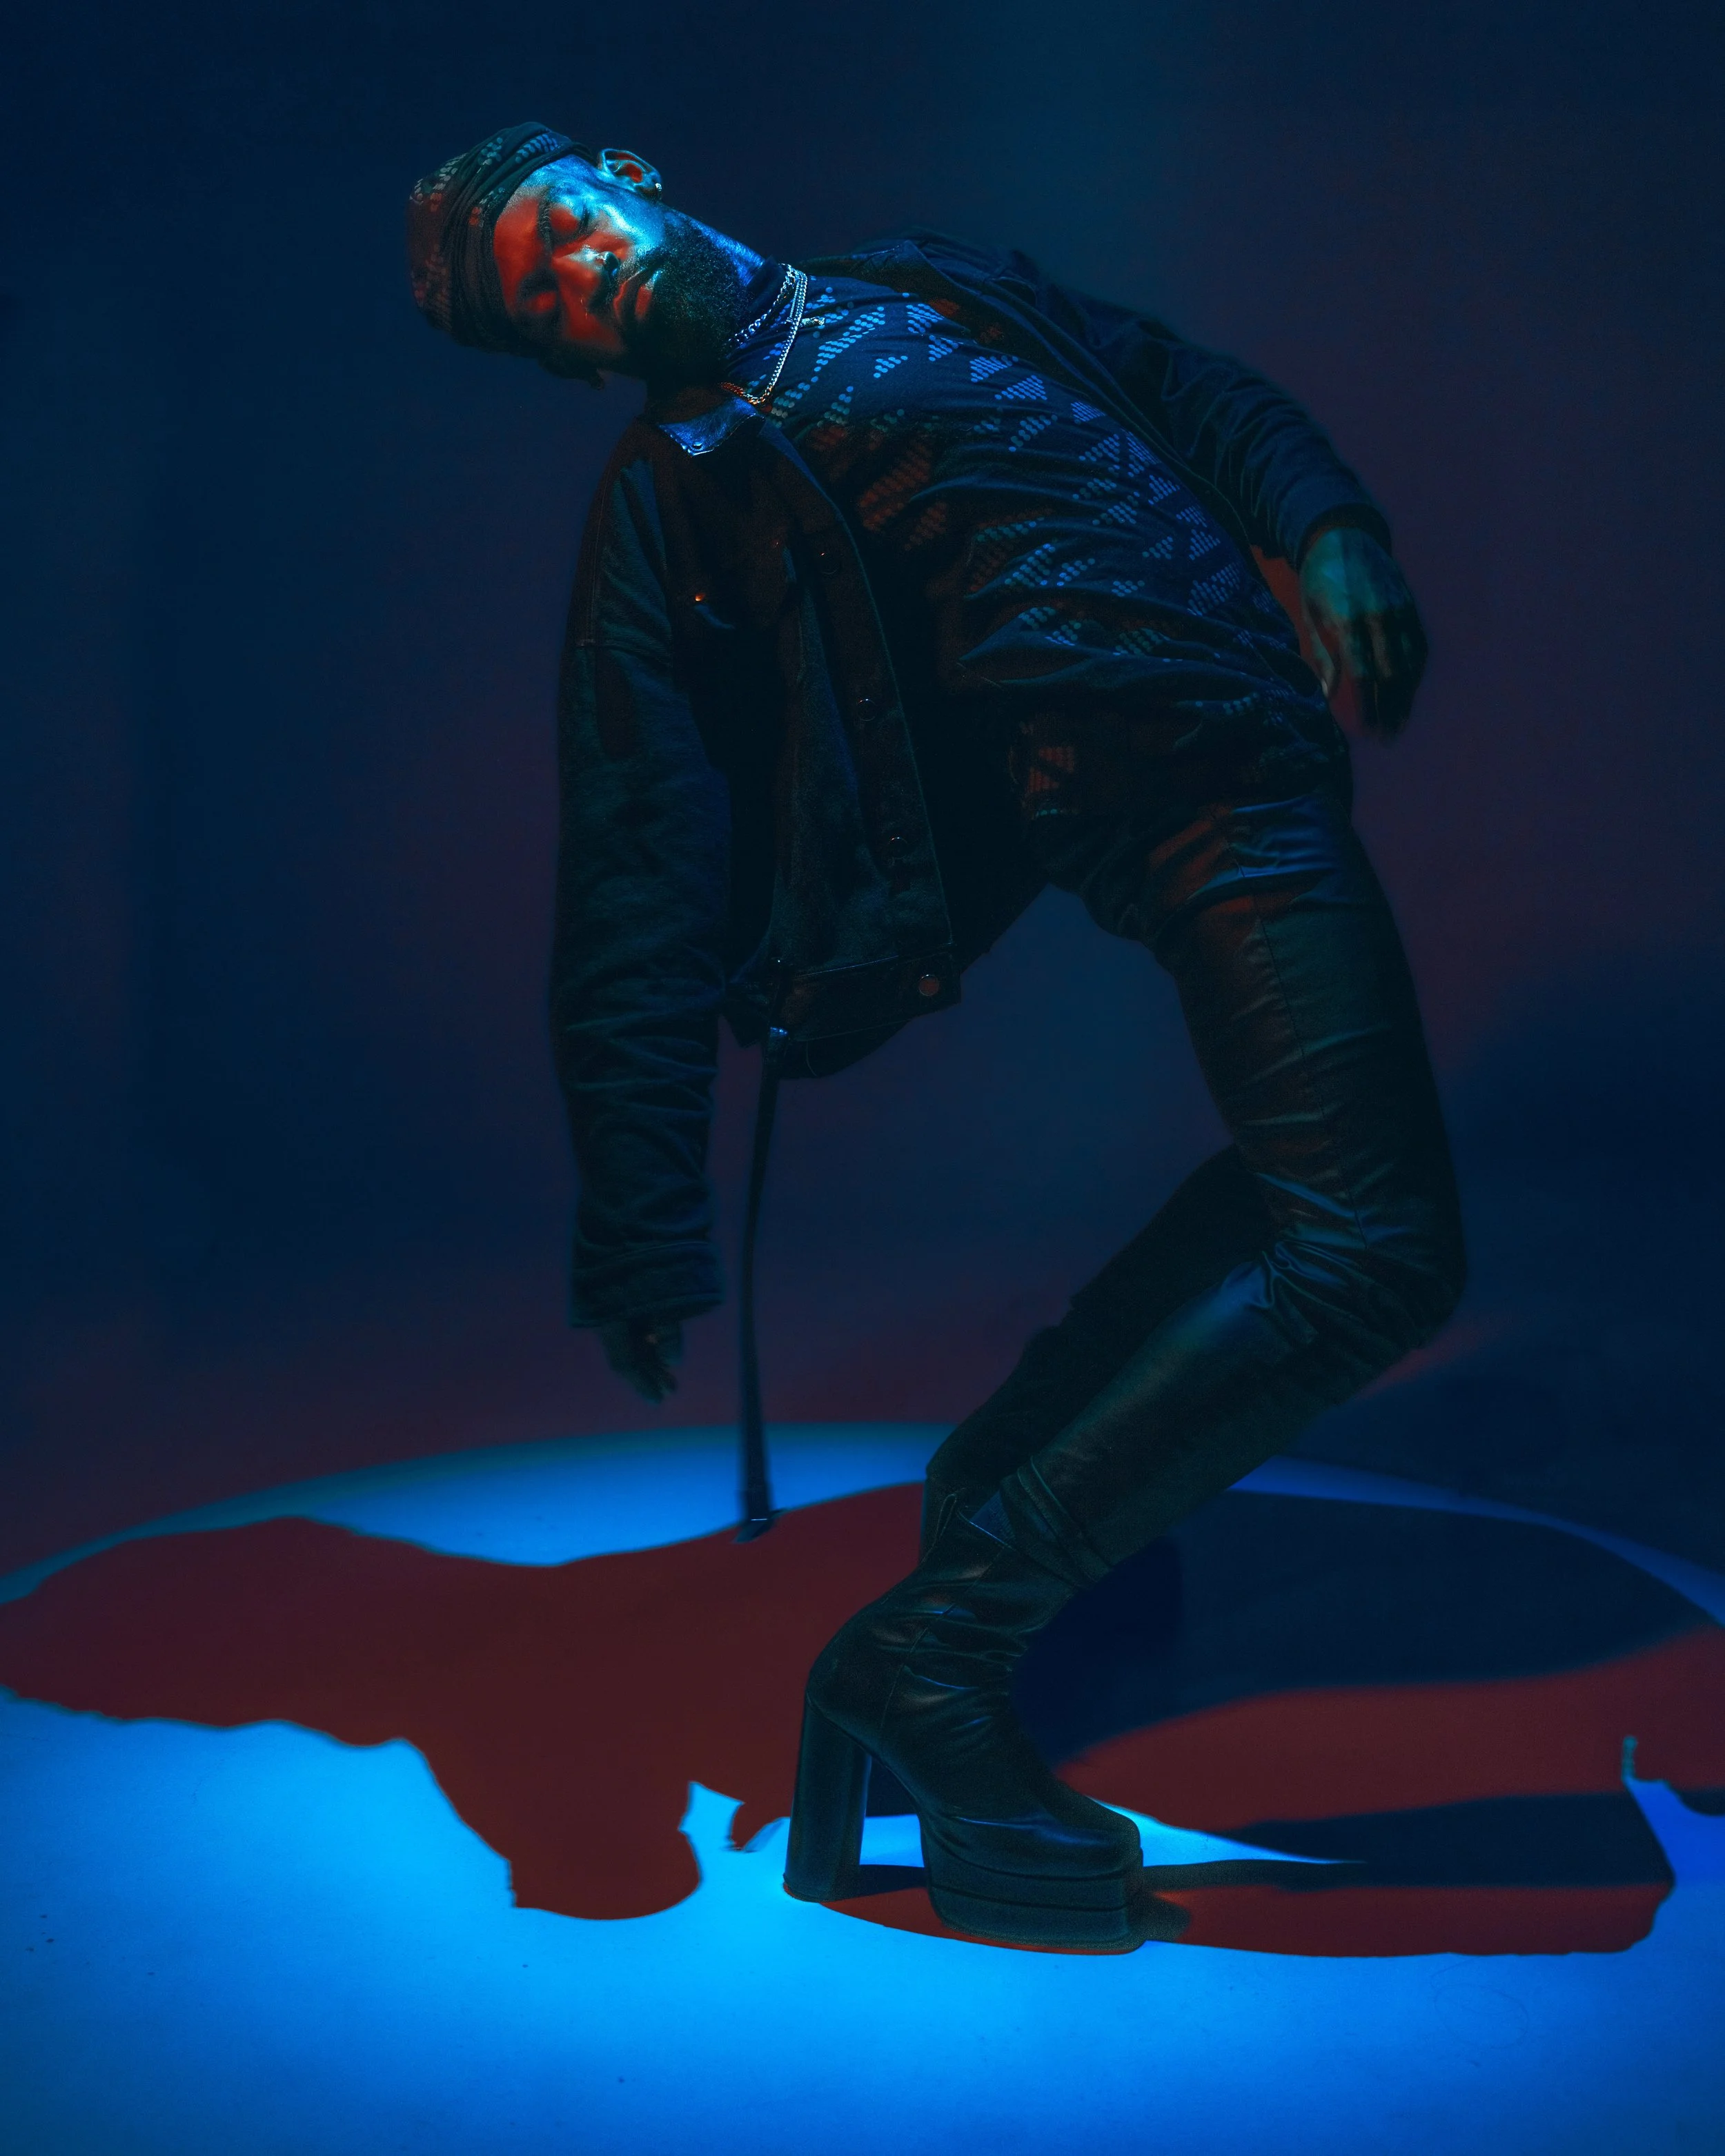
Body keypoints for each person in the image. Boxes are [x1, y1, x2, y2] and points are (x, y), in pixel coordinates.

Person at [406, 124, 1465, 1952]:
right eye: (545, 301)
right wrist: (644, 1216)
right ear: (570, 362)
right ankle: (938, 1648)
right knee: (1373, 1250)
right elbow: (641, 861)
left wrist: (1325, 519)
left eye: (565, 229)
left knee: (1319, 1202)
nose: (583, 275)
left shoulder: (927, 283)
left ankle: (995, 1492)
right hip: (1169, 807)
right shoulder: (677, 496)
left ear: (628, 178)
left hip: (1261, 762)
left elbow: (1173, 386)